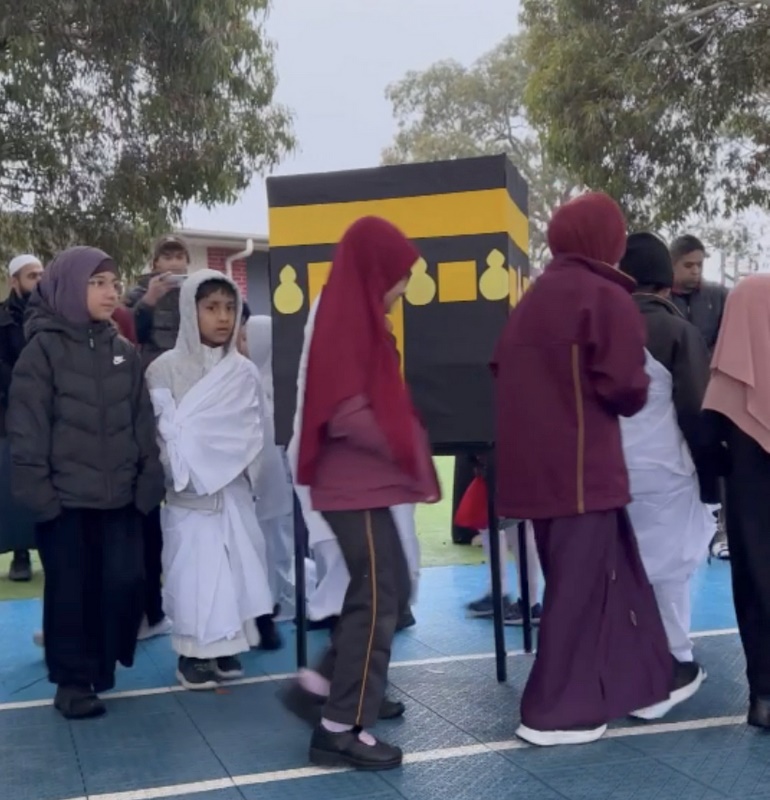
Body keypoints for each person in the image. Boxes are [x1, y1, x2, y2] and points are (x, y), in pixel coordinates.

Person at [492, 193, 679, 747]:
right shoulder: (604, 296)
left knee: (596, 582)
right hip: (583, 472)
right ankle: (554, 711)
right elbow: (626, 388)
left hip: (536, 475)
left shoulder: (533, 298)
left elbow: (501, 370)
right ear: (606, 240)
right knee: (579, 593)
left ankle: (635, 684)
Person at [283, 216, 440, 771]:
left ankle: (322, 686)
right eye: (400, 275)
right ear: (377, 271)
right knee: (376, 598)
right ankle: (339, 728)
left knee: (385, 592)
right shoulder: (346, 319)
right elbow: (345, 411)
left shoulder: (358, 316)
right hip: (352, 484)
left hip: (360, 483)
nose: (405, 287)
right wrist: (403, 445)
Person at [7, 247, 164, 719]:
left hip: (121, 501)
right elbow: (27, 431)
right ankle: (73, 682)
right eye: (97, 283)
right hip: (66, 504)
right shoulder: (42, 352)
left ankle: (101, 664)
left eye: (113, 283)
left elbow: (143, 424)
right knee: (71, 593)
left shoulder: (124, 352)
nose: (110, 292)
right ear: (70, 287)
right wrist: (44, 500)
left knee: (124, 582)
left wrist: (147, 485)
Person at [146, 269, 279, 691]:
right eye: (211, 308)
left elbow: (253, 431)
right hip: (188, 496)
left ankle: (226, 647)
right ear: (191, 310)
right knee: (194, 575)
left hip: (234, 491)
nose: (222, 317)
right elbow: (162, 431)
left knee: (237, 570)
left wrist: (234, 467)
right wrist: (185, 470)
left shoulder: (243, 371)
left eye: (229, 308)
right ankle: (192, 653)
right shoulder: (164, 369)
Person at [618, 232, 721, 681]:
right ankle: (675, 656)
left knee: (624, 567)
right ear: (665, 282)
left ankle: (626, 654)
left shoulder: (597, 329)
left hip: (607, 472)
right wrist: (712, 477)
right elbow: (696, 411)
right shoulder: (678, 331)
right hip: (665, 471)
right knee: (670, 572)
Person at [286, 298, 421, 631]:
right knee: (344, 547)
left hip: (377, 462)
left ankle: (387, 607)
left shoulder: (377, 344)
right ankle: (342, 608)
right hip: (340, 463)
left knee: (389, 542)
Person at [702, 274, 770, 728]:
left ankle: (764, 697)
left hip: (751, 486)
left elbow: (709, 436)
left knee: (756, 579)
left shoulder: (748, 294)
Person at [125, 235, 190, 640]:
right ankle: (149, 609)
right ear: (154, 263)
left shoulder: (198, 293)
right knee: (148, 507)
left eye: (179, 256)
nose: (174, 263)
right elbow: (131, 333)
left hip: (190, 403)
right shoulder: (137, 295)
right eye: (167, 256)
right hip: (149, 403)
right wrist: (149, 300)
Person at [669, 234, 731, 560]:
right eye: (688, 265)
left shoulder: (718, 297)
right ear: (672, 264)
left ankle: (721, 531)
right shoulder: (661, 299)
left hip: (714, 395)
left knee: (718, 462)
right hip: (675, 398)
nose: (695, 271)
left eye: (699, 265)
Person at [244, 315, 296, 621]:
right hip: (261, 485)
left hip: (274, 483)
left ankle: (276, 600)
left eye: (246, 338)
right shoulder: (248, 380)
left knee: (276, 544)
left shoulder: (273, 386)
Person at [0, 254, 44, 582]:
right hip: (10, 412)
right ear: (14, 281)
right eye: (32, 276)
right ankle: (20, 554)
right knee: (14, 485)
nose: (38, 282)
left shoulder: (54, 316)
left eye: (42, 275)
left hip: (48, 412)